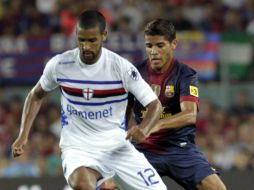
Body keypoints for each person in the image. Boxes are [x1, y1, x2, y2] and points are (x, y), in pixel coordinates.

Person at [11, 10, 167, 190]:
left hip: (117, 148)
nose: (86, 46)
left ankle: (109, 182)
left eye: (92, 40)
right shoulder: (60, 64)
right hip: (78, 148)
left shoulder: (121, 68)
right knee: (82, 184)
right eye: (81, 40)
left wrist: (144, 128)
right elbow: (35, 95)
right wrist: (23, 135)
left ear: (104, 35)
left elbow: (155, 104)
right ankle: (105, 182)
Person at [127, 19, 227, 190]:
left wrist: (153, 125)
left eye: (160, 45)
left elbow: (189, 115)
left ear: (174, 44)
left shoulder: (186, 75)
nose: (154, 52)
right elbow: (124, 110)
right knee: (108, 184)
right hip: (143, 149)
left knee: (217, 188)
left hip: (180, 148)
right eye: (149, 46)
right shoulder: (134, 72)